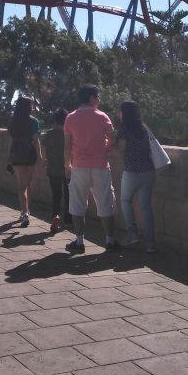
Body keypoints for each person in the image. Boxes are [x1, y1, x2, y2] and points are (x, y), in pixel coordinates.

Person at [63, 84, 120, 254]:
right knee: (105, 203)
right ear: (91, 98)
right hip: (100, 166)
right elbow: (112, 141)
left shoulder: (70, 118)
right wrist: (104, 148)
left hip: (79, 166)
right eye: (97, 96)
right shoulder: (103, 117)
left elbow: (67, 146)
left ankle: (79, 242)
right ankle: (109, 241)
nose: (99, 100)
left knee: (77, 204)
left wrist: (68, 164)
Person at [116, 100, 157, 254]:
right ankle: (150, 245)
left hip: (132, 172)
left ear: (124, 113)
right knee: (146, 208)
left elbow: (120, 150)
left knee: (125, 200)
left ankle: (132, 233)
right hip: (148, 171)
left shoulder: (124, 130)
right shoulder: (145, 129)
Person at [7, 96, 43, 228]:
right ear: (29, 107)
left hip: (17, 155)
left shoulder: (13, 122)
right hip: (30, 155)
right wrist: (39, 155)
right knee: (28, 183)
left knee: (21, 186)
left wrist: (8, 156)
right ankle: (27, 209)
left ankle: (24, 212)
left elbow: (10, 141)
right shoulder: (34, 122)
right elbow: (35, 140)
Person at [42, 108, 70, 233]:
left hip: (53, 168)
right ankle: (68, 219)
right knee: (69, 194)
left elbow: (43, 149)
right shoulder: (68, 134)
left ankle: (55, 216)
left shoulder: (49, 134)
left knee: (56, 194)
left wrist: (44, 161)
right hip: (67, 168)